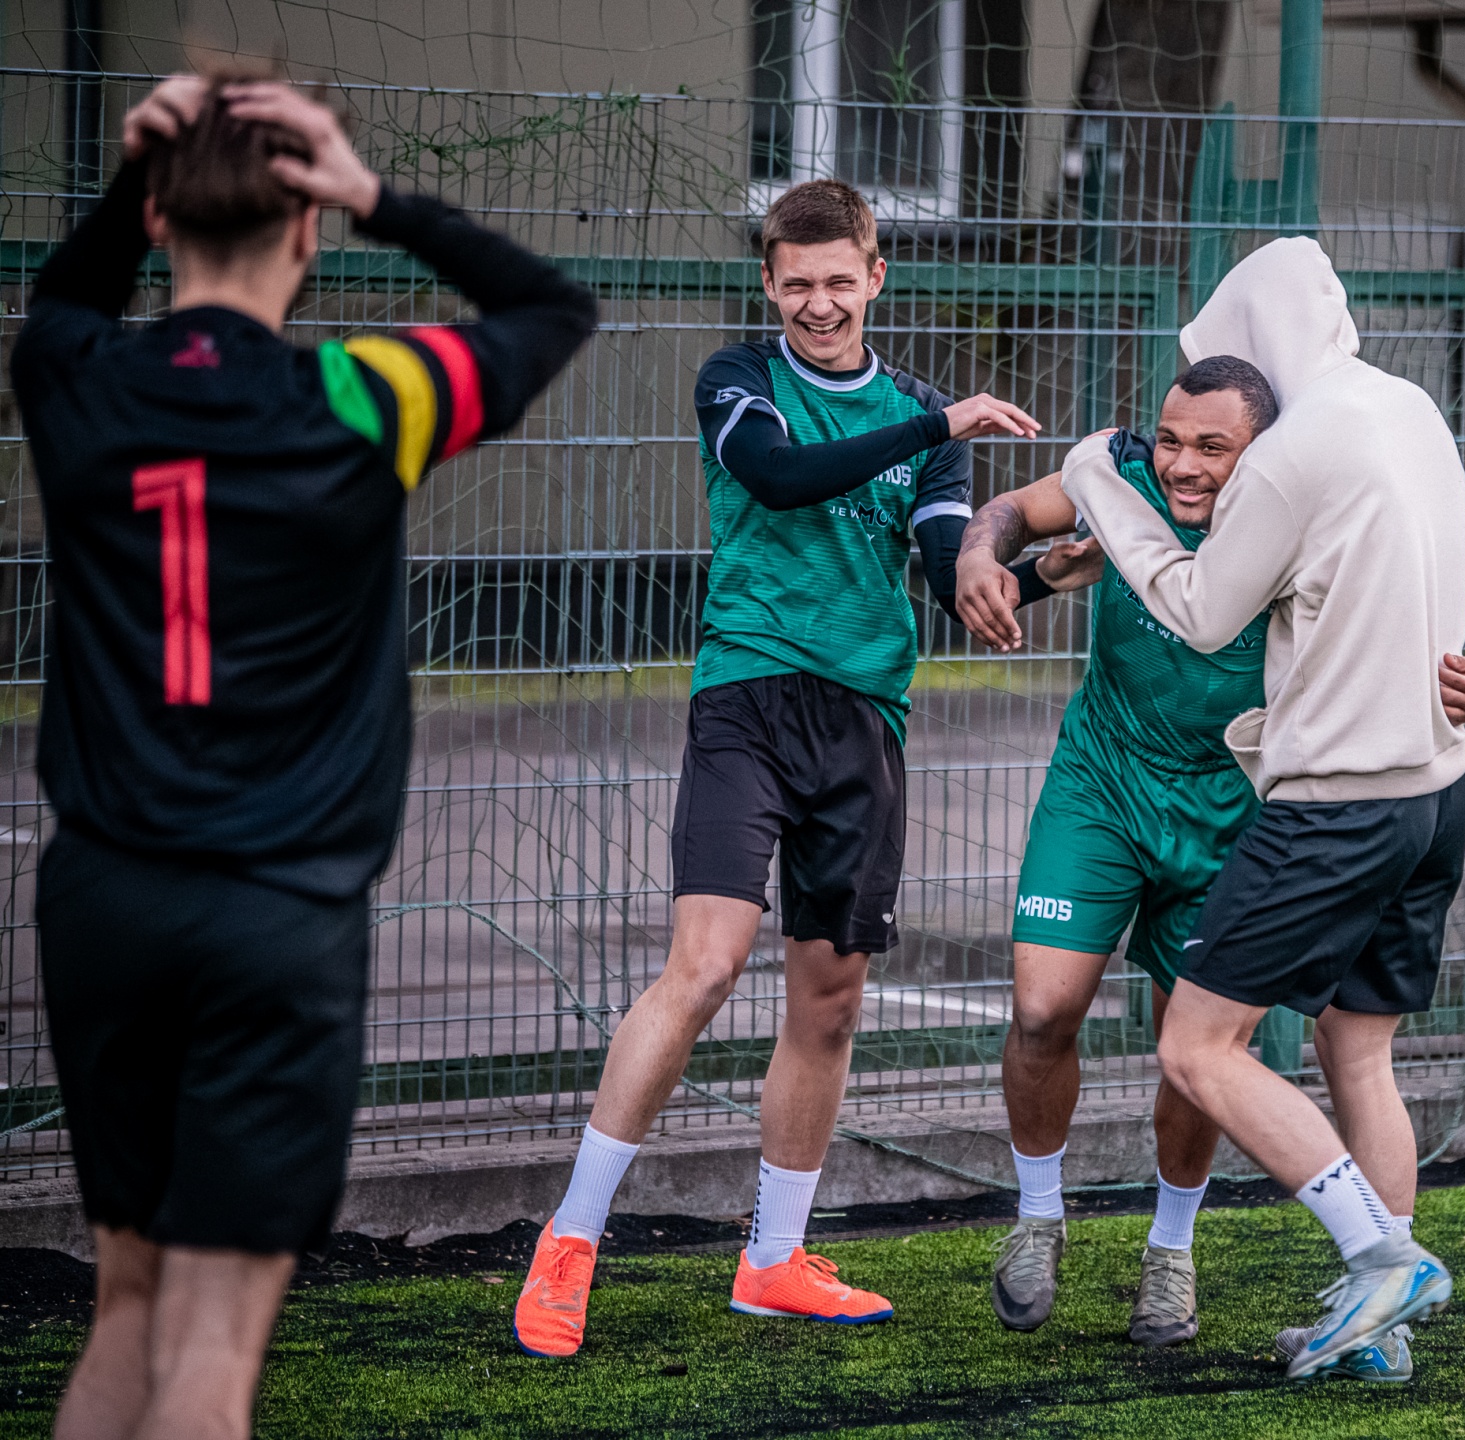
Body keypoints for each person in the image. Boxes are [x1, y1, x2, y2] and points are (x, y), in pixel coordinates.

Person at [15, 74, 596, 1439]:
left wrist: (133, 181)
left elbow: (61, 307)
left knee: (125, 1313)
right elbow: (549, 309)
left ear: (161, 222)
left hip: (103, 904)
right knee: (214, 1354)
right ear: (307, 227)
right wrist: (377, 191)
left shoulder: (80, 381)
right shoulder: (365, 393)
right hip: (279, 920)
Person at [512, 178, 1073, 1357]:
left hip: (866, 720)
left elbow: (943, 567)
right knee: (707, 963)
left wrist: (1044, 571)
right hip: (750, 699)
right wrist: (940, 429)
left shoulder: (916, 412)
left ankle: (772, 1260)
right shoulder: (740, 381)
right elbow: (776, 476)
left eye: (840, 282)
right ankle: (569, 1242)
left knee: (830, 998)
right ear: (770, 284)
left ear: (877, 277)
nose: (820, 304)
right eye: (798, 284)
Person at [954, 355, 1465, 1362]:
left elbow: (1400, 636)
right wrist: (983, 557)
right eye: (1171, 439)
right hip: (1104, 783)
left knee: (1196, 1044)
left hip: (1234, 803)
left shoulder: (1298, 512)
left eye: (1212, 447)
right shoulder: (1121, 471)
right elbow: (1015, 512)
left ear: (1263, 456)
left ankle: (1172, 1247)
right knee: (1041, 1009)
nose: (1182, 464)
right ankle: (1037, 1217)